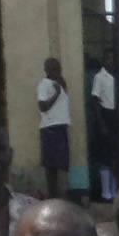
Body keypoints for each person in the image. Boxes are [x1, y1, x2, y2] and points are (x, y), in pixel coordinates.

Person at [36, 56, 76, 199]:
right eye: (53, 69)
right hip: (50, 128)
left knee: (62, 163)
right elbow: (42, 106)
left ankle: (60, 194)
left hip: (60, 126)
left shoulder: (58, 83)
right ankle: (52, 194)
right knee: (51, 165)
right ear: (47, 70)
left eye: (58, 69)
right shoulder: (44, 85)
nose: (57, 72)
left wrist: (61, 87)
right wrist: (57, 94)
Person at [85, 55, 119, 203]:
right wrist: (102, 123)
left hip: (115, 116)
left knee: (115, 155)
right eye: (109, 59)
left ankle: (114, 191)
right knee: (105, 155)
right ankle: (106, 192)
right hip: (105, 115)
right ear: (104, 61)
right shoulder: (100, 77)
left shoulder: (117, 77)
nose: (112, 61)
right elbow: (95, 99)